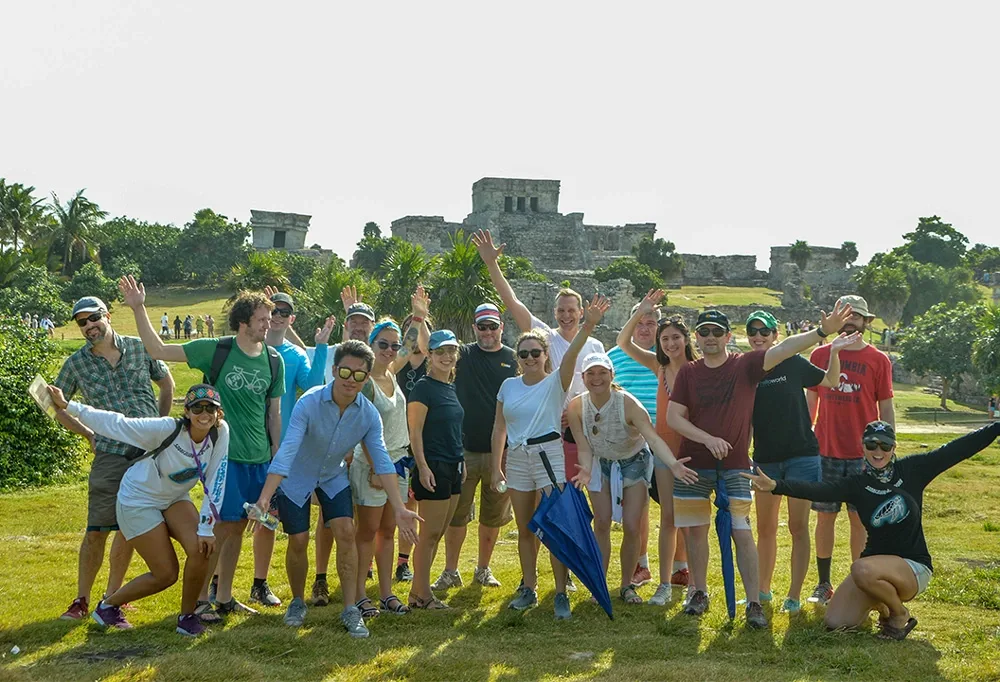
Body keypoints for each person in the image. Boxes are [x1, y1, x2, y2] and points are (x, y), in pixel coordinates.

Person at [666, 303, 855, 628]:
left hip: (737, 463)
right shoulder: (689, 372)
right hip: (694, 463)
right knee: (695, 532)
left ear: (727, 336)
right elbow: (673, 417)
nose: (710, 337)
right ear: (696, 338)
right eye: (704, 332)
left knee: (742, 530)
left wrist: (822, 333)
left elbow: (784, 349)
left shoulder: (746, 365)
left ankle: (754, 601)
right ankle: (699, 592)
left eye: (716, 332)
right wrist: (707, 438)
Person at [119, 275, 285, 618]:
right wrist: (138, 308)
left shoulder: (273, 360)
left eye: (269, 320)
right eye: (262, 320)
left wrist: (276, 457)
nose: (268, 326)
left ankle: (223, 597)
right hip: (224, 458)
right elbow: (159, 350)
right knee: (220, 530)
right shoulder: (217, 349)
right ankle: (200, 602)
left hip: (259, 459)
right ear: (242, 322)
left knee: (238, 527)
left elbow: (274, 412)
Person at [744, 420, 1000, 640]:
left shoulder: (913, 470)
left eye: (885, 445)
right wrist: (776, 485)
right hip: (876, 569)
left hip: (912, 567)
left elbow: (957, 449)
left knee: (860, 568)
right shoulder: (858, 483)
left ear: (893, 448)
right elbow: (820, 490)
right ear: (863, 448)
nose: (878, 451)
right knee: (836, 621)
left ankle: (900, 615)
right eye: (872, 445)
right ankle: (885, 608)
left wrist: (997, 427)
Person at [255, 340, 420, 635]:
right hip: (296, 477)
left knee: (345, 530)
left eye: (359, 375)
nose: (350, 380)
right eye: (345, 372)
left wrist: (398, 508)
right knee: (300, 539)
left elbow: (382, 460)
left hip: (333, 476)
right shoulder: (309, 401)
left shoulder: (368, 414)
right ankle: (296, 602)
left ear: (366, 378)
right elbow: (288, 449)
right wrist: (266, 497)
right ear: (334, 370)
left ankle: (350, 608)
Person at [49, 383, 228, 637]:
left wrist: (207, 526)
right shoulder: (167, 429)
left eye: (210, 408)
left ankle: (187, 618)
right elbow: (118, 424)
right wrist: (70, 406)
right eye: (196, 407)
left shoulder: (220, 433)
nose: (204, 413)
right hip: (138, 499)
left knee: (202, 548)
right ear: (186, 412)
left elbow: (216, 481)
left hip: (174, 497)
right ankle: (107, 607)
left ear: (218, 413)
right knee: (166, 573)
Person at [54, 296, 175, 623]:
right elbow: (55, 405)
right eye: (82, 322)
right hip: (110, 454)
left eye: (94, 317)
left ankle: (113, 598)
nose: (90, 325)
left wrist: (159, 429)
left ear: (107, 315)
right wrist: (87, 434)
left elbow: (166, 383)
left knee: (129, 529)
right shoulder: (76, 364)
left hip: (149, 456)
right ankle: (81, 600)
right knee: (96, 529)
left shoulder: (138, 347)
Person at [491, 295, 610, 619]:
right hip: (517, 459)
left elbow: (572, 353)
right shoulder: (509, 386)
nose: (530, 358)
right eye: (524, 353)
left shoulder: (556, 381)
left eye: (536, 353)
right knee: (525, 528)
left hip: (548, 456)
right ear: (519, 357)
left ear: (546, 356)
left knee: (556, 526)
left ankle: (560, 591)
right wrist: (495, 468)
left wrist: (589, 325)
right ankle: (528, 587)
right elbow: (499, 427)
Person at [744, 309, 857, 614]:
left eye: (764, 332)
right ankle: (763, 591)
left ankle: (793, 596)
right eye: (752, 332)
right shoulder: (745, 370)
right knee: (765, 528)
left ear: (775, 336)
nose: (758, 338)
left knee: (797, 526)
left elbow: (832, 381)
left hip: (802, 457)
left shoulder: (793, 363)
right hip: (766, 459)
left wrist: (833, 350)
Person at [567, 352, 698, 605]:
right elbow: (583, 446)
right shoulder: (576, 406)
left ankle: (627, 585)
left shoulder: (628, 403)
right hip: (600, 461)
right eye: (591, 374)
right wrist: (585, 469)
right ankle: (599, 584)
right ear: (583, 377)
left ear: (611, 375)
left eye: (602, 373)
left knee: (631, 525)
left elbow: (652, 437)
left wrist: (672, 464)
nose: (597, 379)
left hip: (634, 461)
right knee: (602, 522)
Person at [474, 229, 605, 483]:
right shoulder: (545, 337)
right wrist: (491, 263)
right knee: (553, 492)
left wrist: (579, 412)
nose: (566, 316)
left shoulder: (595, 346)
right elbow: (511, 301)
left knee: (590, 490)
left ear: (581, 313)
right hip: (552, 428)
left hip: (587, 425)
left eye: (571, 310)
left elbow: (602, 386)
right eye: (560, 311)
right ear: (554, 312)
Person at [246, 292, 334, 608]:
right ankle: (218, 585)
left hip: (282, 450)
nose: (279, 316)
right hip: (247, 444)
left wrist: (321, 345)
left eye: (285, 311)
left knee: (270, 516)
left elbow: (310, 384)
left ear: (291, 318)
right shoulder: (249, 348)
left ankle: (259, 584)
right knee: (237, 519)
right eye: (273, 310)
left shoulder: (294, 354)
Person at [806, 295, 895, 606]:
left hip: (865, 455)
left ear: (865, 321)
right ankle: (823, 583)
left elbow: (885, 404)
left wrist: (888, 445)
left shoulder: (879, 360)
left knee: (860, 521)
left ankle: (859, 581)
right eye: (843, 315)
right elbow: (811, 400)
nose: (849, 321)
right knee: (824, 518)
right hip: (826, 450)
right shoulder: (819, 355)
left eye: (855, 316)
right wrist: (807, 436)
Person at [616, 292, 697, 605]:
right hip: (664, 449)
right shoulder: (658, 367)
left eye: (676, 338)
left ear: (685, 339)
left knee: (692, 519)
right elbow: (624, 342)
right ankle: (664, 584)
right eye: (665, 339)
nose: (670, 344)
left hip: (692, 449)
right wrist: (641, 312)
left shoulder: (699, 368)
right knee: (669, 518)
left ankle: (693, 583)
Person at [432, 303, 517, 592]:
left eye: (493, 326)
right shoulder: (463, 355)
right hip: (464, 450)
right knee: (457, 514)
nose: (488, 332)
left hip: (500, 451)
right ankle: (450, 570)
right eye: (482, 326)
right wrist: (420, 317)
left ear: (501, 327)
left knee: (493, 514)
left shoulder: (515, 359)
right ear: (474, 328)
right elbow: (427, 351)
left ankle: (483, 568)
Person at [406, 329, 467, 609]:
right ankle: (420, 594)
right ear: (429, 354)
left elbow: (454, 429)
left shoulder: (450, 387)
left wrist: (462, 461)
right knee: (429, 535)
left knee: (438, 532)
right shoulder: (423, 387)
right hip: (434, 466)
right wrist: (422, 467)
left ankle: (421, 589)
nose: (446, 357)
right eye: (440, 351)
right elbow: (415, 431)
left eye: (450, 351)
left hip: (454, 466)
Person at [394, 310, 434, 584]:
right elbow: (407, 350)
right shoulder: (396, 362)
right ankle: (375, 559)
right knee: (384, 505)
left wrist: (421, 322)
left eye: (419, 329)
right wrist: (417, 319)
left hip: (422, 441)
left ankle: (403, 562)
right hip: (395, 440)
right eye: (409, 329)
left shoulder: (433, 364)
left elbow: (431, 348)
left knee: (413, 504)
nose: (415, 334)